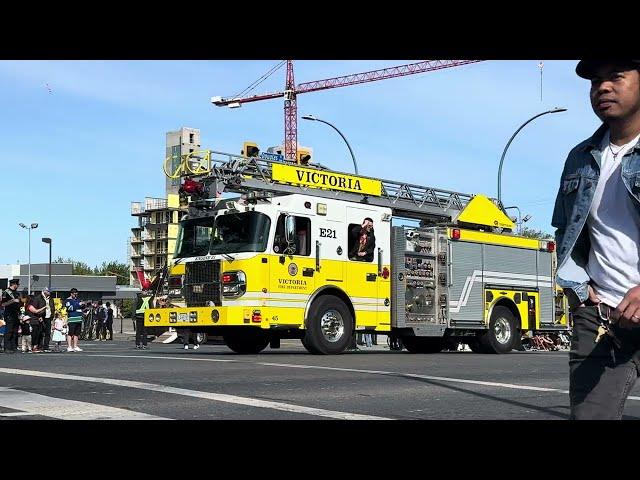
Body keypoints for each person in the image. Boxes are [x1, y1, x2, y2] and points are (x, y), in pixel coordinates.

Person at [552, 59, 640, 420]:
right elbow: (566, 229)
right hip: (603, 320)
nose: (603, 87)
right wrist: (581, 286)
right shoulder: (580, 158)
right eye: (595, 81)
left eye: (616, 76)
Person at [1, 279, 21, 354]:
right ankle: (7, 347)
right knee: (9, 331)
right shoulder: (6, 292)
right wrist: (12, 301)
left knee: (15, 331)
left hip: (16, 314)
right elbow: (3, 304)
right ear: (13, 284)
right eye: (17, 284)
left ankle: (14, 347)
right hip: (9, 314)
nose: (18, 286)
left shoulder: (16, 293)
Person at [32, 287, 55, 352]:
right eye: (49, 292)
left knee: (48, 333)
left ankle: (46, 347)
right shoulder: (38, 298)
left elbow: (53, 308)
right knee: (40, 332)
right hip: (41, 317)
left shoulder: (50, 299)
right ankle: (40, 346)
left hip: (48, 317)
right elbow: (35, 308)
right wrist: (39, 316)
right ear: (45, 291)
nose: (50, 293)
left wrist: (52, 317)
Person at [64, 288, 85, 352]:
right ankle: (69, 346)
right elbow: (69, 308)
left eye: (76, 294)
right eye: (74, 294)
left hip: (79, 318)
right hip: (72, 319)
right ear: (71, 294)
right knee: (70, 333)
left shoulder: (78, 300)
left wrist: (83, 304)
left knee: (77, 333)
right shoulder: (68, 300)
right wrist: (78, 305)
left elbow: (82, 307)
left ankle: (75, 346)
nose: (75, 295)